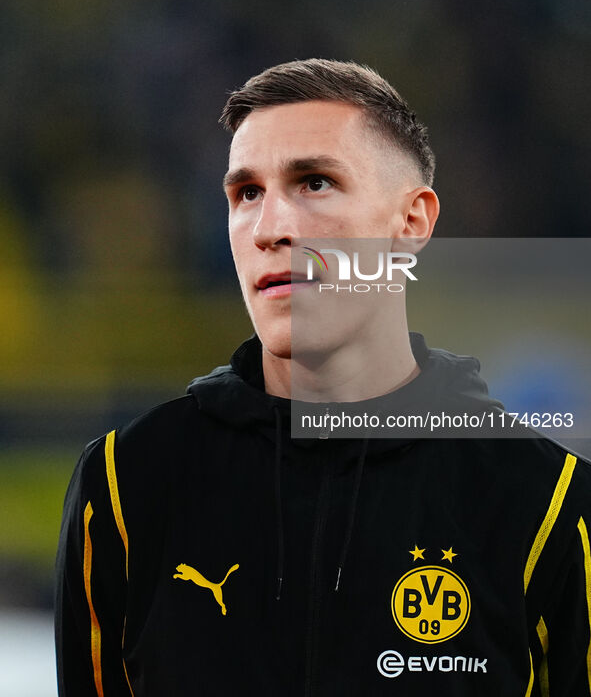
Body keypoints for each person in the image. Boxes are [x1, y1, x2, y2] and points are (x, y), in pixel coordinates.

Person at [55, 59, 591, 696]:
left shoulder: (548, 502)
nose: (270, 229)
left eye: (314, 182)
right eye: (246, 193)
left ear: (412, 223)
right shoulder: (124, 486)